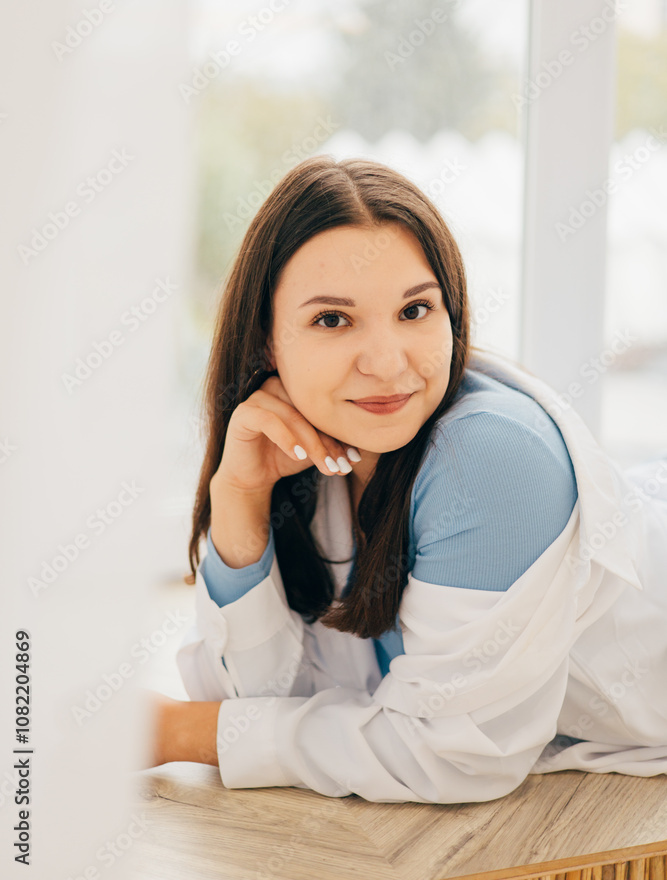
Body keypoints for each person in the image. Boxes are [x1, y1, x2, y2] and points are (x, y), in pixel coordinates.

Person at [146, 155, 667, 802]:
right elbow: (258, 698)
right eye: (332, 320)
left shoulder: (489, 456)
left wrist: (171, 732)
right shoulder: (313, 451)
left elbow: (454, 756)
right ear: (265, 344)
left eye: (415, 310)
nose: (388, 364)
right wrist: (240, 501)